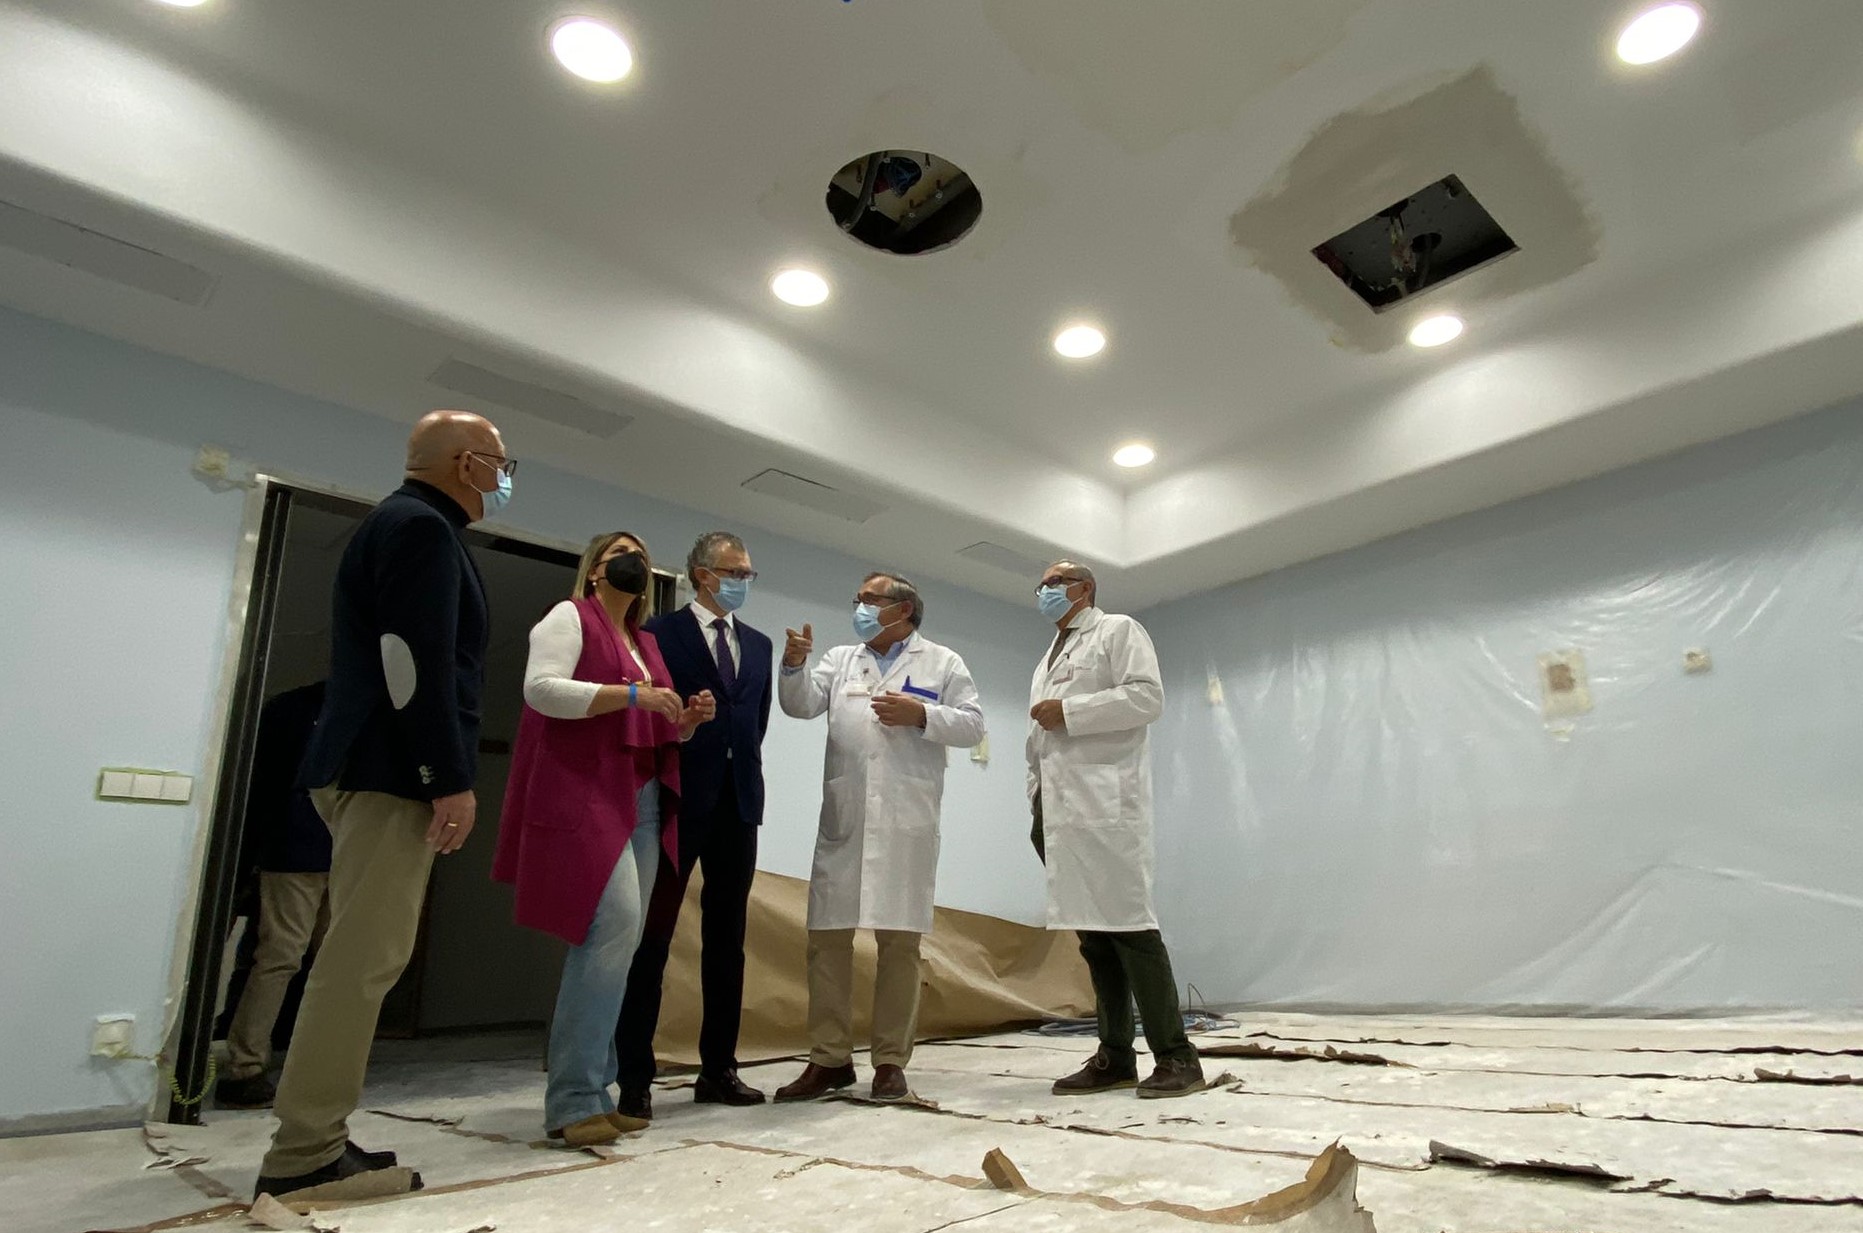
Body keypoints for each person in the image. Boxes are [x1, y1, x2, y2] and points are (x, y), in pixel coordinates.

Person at [256, 410, 511, 1200]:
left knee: (360, 956)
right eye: (500, 464)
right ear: (468, 463)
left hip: (369, 762)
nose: (504, 478)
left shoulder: (403, 523)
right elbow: (414, 659)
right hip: (389, 768)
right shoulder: (419, 530)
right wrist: (446, 773)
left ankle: (313, 1134)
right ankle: (303, 1152)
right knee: (361, 961)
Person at [493, 532, 716, 1146]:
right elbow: (541, 690)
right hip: (588, 793)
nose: (635, 563)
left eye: (644, 555)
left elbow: (651, 721)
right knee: (609, 929)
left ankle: (597, 1089)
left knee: (621, 945)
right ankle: (570, 1099)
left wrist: (684, 719)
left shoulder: (644, 642)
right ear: (593, 570)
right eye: (622, 552)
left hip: (642, 795)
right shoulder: (569, 618)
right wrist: (634, 695)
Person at [773, 573, 986, 1103]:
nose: (860, 607)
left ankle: (890, 1062)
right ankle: (829, 1059)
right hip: (845, 820)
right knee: (827, 942)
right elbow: (800, 704)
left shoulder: (943, 662)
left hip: (905, 823)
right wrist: (795, 663)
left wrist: (922, 715)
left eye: (870, 599)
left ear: (903, 608)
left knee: (899, 945)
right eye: (858, 599)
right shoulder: (842, 658)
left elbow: (973, 725)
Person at [1027, 561, 1206, 1100]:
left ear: (1085, 589)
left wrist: (1072, 710)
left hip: (1104, 803)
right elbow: (1038, 735)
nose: (1046, 590)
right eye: (1043, 584)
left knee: (1130, 929)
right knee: (1093, 935)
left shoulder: (1117, 631)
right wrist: (1034, 797)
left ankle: (1177, 1057)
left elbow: (1147, 698)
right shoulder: (1047, 657)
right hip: (1056, 810)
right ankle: (1114, 1056)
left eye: (1056, 582)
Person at [614, 532, 772, 1118]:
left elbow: (754, 724)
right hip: (676, 801)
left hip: (739, 804)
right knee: (651, 940)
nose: (743, 582)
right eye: (736, 571)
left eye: (749, 574)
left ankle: (719, 1069)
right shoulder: (658, 635)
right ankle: (634, 1077)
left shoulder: (755, 646)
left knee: (727, 942)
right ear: (703, 575)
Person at [217, 681, 332, 1109]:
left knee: (330, 964)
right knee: (281, 956)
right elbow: (265, 784)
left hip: (345, 850)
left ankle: (310, 1067)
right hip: (295, 848)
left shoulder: (379, 708)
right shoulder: (294, 709)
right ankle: (243, 1068)